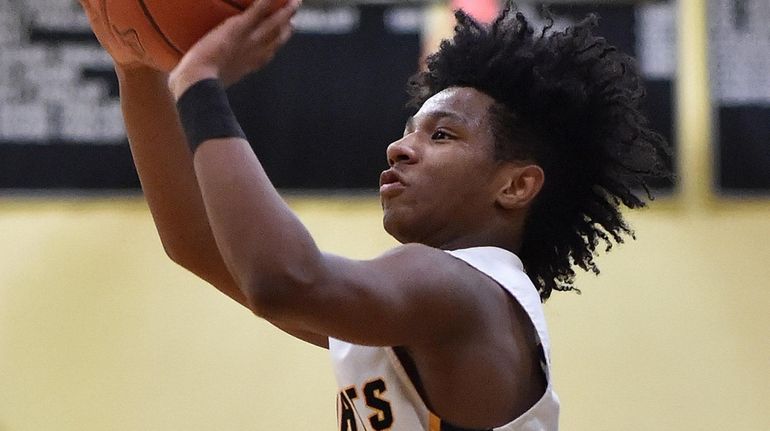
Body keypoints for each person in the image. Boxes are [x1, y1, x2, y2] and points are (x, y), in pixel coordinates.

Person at [80, 0, 669, 429]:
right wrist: (136, 68)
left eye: (442, 135)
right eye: (407, 129)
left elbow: (282, 279)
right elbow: (197, 241)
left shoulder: (461, 292)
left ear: (516, 185)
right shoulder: (428, 305)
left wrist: (199, 85)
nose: (400, 147)